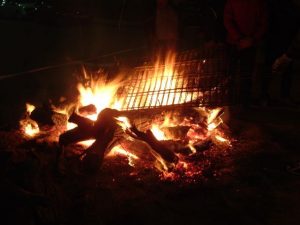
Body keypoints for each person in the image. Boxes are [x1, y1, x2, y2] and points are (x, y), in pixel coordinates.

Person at [224, 0, 268, 106]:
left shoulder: (258, 3)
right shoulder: (259, 3)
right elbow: (263, 23)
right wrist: (248, 39)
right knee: (238, 73)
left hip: (239, 43)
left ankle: (234, 100)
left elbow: (228, 20)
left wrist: (243, 39)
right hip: (242, 43)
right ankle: (239, 100)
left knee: (239, 73)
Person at [264, 0, 300, 105]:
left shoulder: (293, 7)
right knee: (270, 68)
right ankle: (264, 94)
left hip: (288, 40)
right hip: (274, 40)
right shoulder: (272, 6)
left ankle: (284, 95)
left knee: (287, 69)